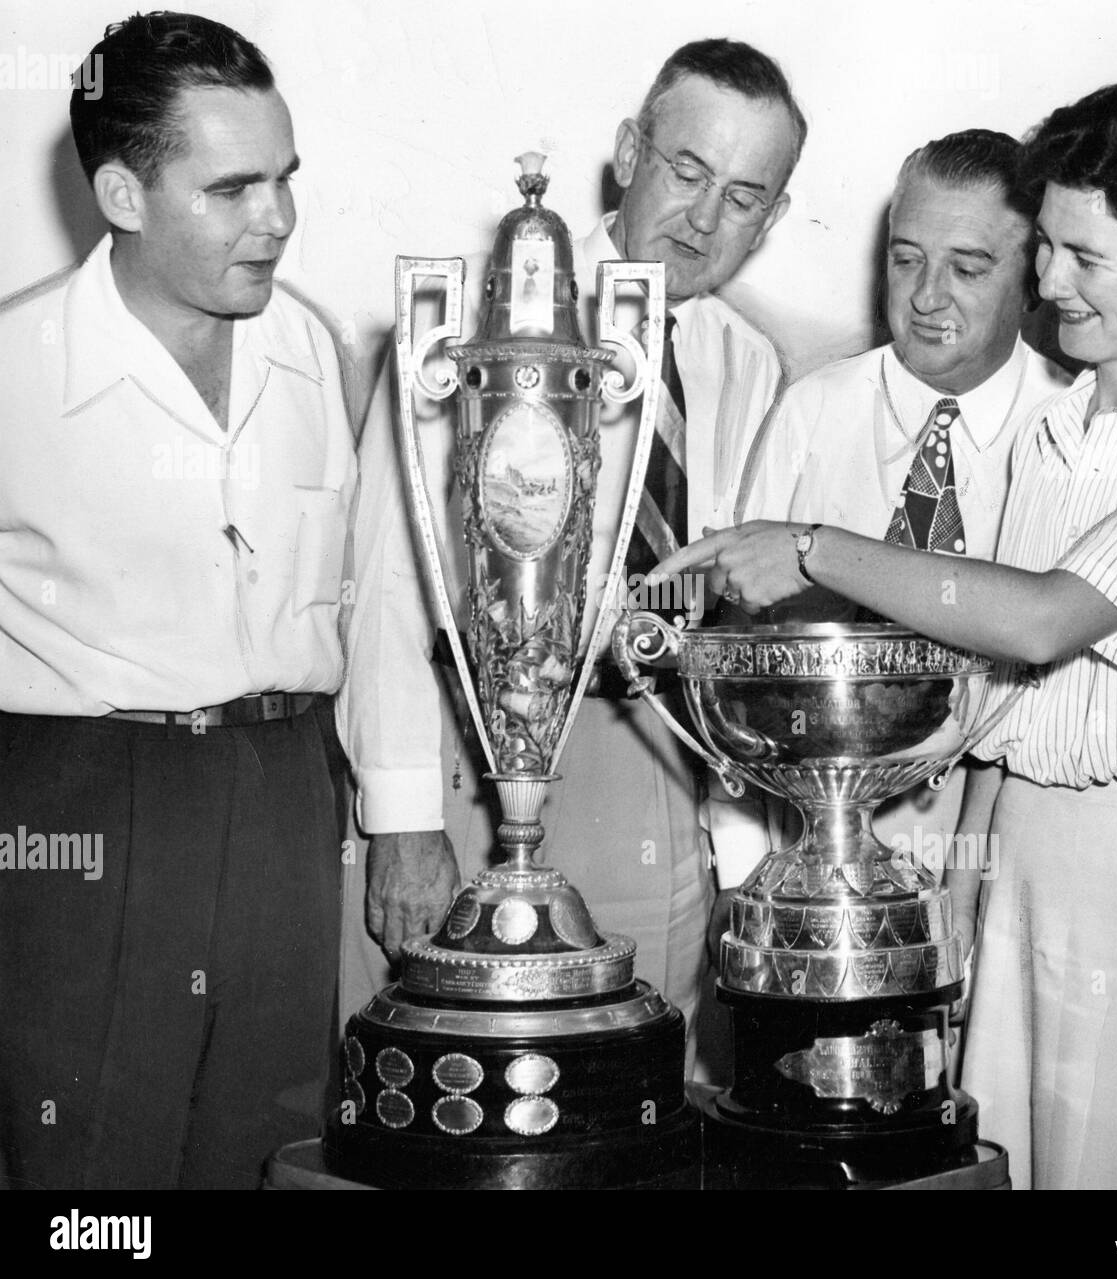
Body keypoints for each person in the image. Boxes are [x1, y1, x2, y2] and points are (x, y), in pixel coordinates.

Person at [655, 80, 1117, 1190]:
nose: (1047, 285)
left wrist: (812, 545)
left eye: (1083, 259)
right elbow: (1005, 720)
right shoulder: (1061, 429)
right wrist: (948, 909)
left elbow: (1042, 618)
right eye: (1044, 249)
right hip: (1015, 872)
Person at [337, 39, 805, 1049]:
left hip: (653, 757)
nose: (704, 216)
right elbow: (390, 577)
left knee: (630, 1087)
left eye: (743, 195)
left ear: (769, 218)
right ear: (631, 153)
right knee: (447, 1083)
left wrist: (731, 849)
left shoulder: (746, 363)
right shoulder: (468, 317)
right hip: (471, 745)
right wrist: (403, 819)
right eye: (686, 171)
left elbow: (736, 619)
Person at [0, 13, 355, 1188]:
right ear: (122, 193)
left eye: (286, 179)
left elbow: (353, 599)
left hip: (284, 794)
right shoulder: (16, 371)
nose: (280, 219)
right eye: (234, 188)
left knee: (276, 1147)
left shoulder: (309, 354)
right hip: (85, 801)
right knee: (92, 1172)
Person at [728, 129, 1068, 900]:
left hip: (1006, 855)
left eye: (967, 267)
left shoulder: (1075, 431)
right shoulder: (813, 410)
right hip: (814, 859)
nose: (925, 296)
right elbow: (739, 648)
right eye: (906, 257)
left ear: (1034, 277)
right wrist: (741, 867)